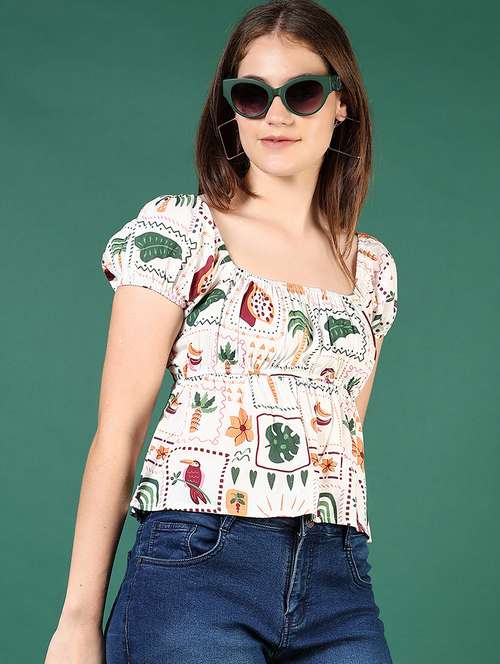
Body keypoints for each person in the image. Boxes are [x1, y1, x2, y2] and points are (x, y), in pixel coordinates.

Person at [45, 1, 399, 662]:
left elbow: (345, 439)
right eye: (253, 95)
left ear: (341, 104)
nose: (276, 116)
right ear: (231, 109)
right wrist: (77, 622)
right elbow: (118, 433)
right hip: (198, 566)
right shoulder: (179, 230)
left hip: (338, 576)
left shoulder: (372, 269)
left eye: (301, 92)